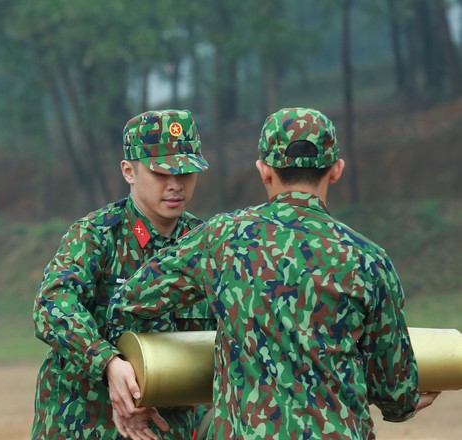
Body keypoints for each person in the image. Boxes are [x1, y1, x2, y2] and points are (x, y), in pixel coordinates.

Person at [107, 107, 439, 439]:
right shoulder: (369, 261)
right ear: (336, 171)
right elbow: (395, 396)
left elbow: (129, 300)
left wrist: (140, 379)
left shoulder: (223, 239)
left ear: (263, 171)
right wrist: (407, 401)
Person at [31, 109, 215, 439]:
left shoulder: (207, 245)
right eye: (161, 173)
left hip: (167, 429)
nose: (175, 185)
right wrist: (108, 363)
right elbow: (52, 306)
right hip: (86, 425)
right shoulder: (97, 237)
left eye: (186, 172)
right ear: (129, 171)